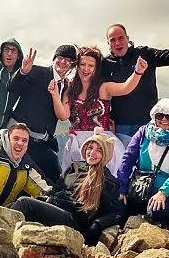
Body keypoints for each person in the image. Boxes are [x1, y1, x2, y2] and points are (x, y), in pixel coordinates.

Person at [9, 128, 125, 247]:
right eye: (90, 148)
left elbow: (116, 213)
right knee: (13, 205)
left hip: (73, 219)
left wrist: (97, 225)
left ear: (105, 155)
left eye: (99, 150)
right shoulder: (74, 167)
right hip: (57, 207)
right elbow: (57, 188)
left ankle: (4, 236)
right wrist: (48, 197)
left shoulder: (107, 180)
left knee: (25, 203)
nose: (92, 153)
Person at [53, 45, 148, 176]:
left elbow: (125, 88)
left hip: (102, 142)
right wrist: (54, 95)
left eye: (91, 65)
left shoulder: (104, 88)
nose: (86, 69)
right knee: (76, 181)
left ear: (96, 68)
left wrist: (138, 72)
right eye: (82, 64)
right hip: (77, 144)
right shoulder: (70, 90)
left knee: (106, 180)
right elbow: (63, 115)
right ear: (77, 66)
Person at [116, 98, 169, 231]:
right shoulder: (144, 132)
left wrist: (163, 192)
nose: (163, 120)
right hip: (140, 188)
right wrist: (122, 188)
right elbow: (128, 159)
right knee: (118, 206)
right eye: (159, 116)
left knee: (157, 211)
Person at [6, 44, 77, 185]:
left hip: (41, 141)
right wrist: (23, 72)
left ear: (72, 66)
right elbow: (12, 88)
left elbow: (66, 113)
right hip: (21, 137)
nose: (63, 62)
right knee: (18, 178)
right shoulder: (37, 72)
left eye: (68, 60)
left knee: (55, 177)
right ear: (54, 58)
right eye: (60, 58)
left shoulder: (66, 87)